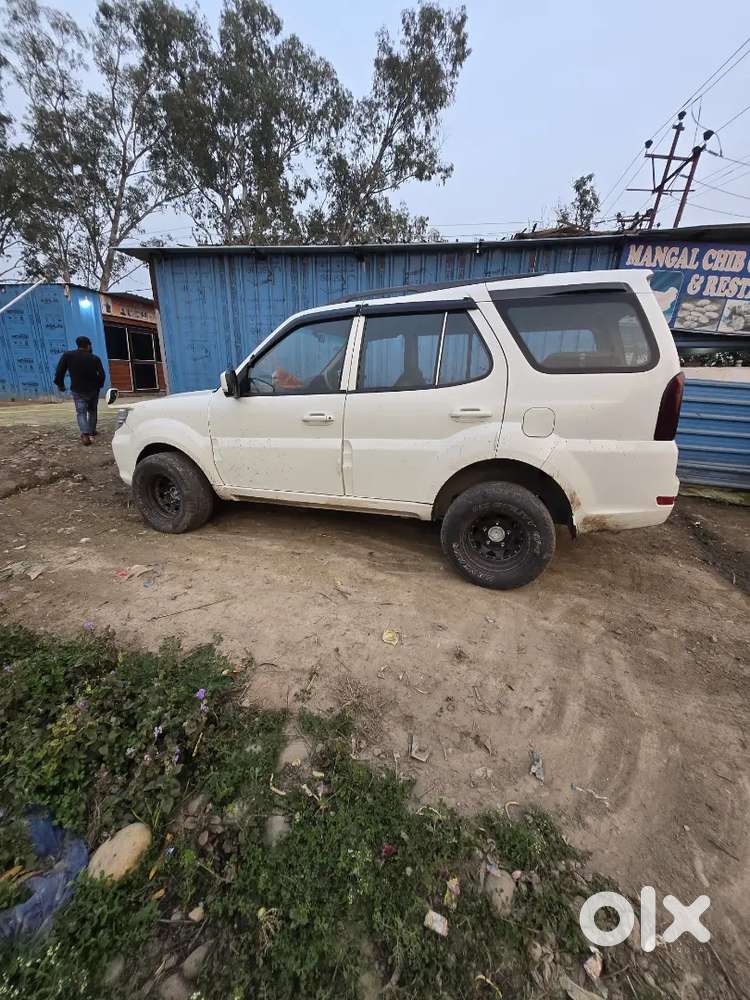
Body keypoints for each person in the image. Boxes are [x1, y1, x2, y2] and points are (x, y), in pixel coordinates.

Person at [54, 336, 106, 446]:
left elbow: (60, 371)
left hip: (78, 389)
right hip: (93, 390)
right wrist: (99, 385)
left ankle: (85, 434)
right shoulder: (94, 358)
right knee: (92, 411)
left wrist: (60, 384)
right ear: (88, 345)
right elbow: (102, 375)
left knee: (81, 412)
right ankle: (92, 431)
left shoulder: (68, 355)